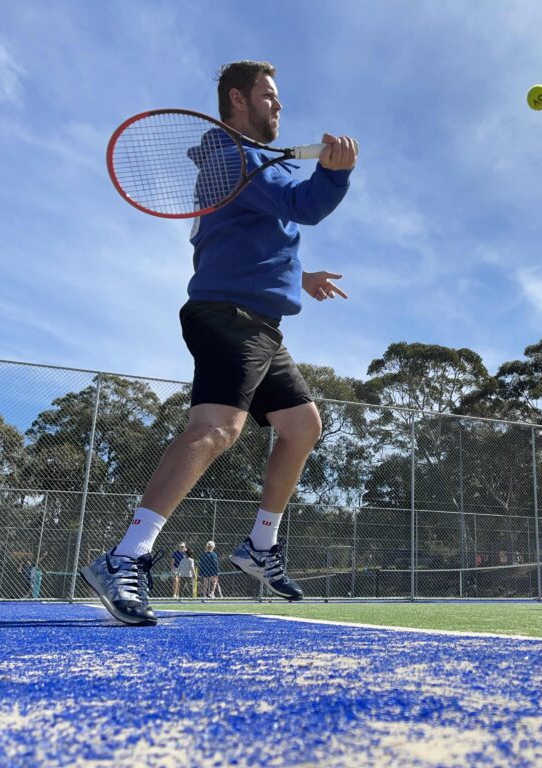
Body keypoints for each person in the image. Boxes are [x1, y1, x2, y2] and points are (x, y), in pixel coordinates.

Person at [81, 59, 358, 626]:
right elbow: (305, 207)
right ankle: (125, 555)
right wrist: (337, 172)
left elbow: (240, 235)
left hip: (256, 319)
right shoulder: (240, 159)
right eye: (269, 95)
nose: (279, 105)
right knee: (215, 429)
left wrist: (298, 277)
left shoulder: (237, 164)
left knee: (303, 425)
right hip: (230, 315)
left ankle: (259, 546)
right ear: (238, 99)